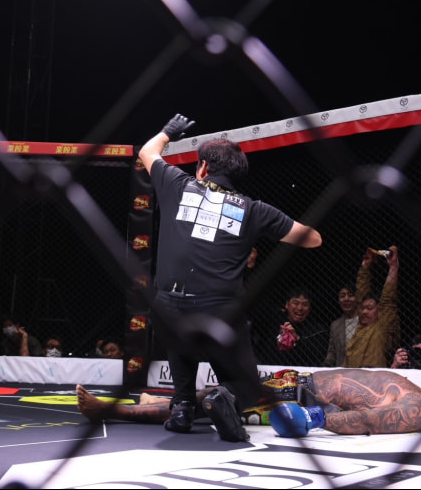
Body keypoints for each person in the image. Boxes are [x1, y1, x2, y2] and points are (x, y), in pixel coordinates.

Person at [137, 113, 322, 442]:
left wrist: (168, 132)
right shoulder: (253, 210)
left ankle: (182, 406)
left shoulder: (177, 184)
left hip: (167, 308)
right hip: (218, 312)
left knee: (177, 322)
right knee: (248, 386)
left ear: (203, 168)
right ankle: (226, 396)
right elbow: (313, 240)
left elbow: (147, 152)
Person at [76, 368, 421, 436]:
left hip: (298, 395)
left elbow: (365, 420)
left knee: (209, 401)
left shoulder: (417, 410)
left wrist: (311, 416)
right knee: (209, 394)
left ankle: (112, 410)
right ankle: (156, 398)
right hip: (298, 385)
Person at [343, 246, 400, 368]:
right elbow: (361, 293)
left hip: (374, 378)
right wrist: (365, 266)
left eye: (369, 308)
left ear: (379, 310)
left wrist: (393, 267)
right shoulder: (359, 329)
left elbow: (388, 299)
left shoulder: (382, 327)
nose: (364, 311)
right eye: (363, 308)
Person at [271, 288, 329, 368]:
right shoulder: (274, 322)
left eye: (305, 304)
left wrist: (297, 339)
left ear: (309, 309)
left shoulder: (317, 329)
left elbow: (318, 357)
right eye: (296, 303)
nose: (300, 308)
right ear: (287, 305)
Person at [322, 284, 359, 367]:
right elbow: (332, 352)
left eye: (350, 295)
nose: (346, 299)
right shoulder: (335, 325)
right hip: (342, 370)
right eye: (342, 296)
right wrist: (325, 366)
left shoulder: (365, 321)